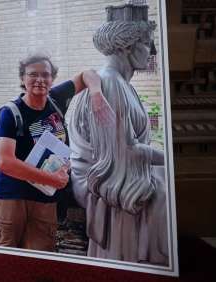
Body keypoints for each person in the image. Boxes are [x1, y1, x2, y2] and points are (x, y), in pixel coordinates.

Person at [67, 4, 168, 264]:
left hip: (118, 170)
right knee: (163, 189)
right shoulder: (110, 84)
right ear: (126, 46)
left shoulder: (117, 83)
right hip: (102, 179)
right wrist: (167, 158)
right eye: (147, 43)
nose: (153, 51)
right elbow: (122, 152)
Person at [0, 53, 104, 251]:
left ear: (52, 79)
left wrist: (96, 94)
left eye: (46, 75)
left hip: (45, 198)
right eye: (33, 74)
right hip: (11, 197)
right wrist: (51, 179)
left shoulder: (56, 100)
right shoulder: (11, 113)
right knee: (7, 262)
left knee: (40, 261)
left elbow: (88, 74)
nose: (40, 79)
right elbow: (4, 162)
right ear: (22, 79)